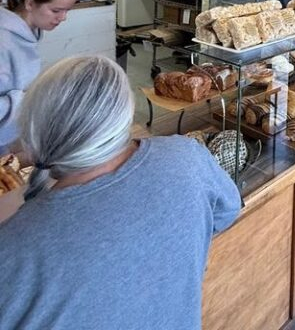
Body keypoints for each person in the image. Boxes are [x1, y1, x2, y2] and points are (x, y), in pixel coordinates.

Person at [0, 55, 242, 330]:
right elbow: (228, 210)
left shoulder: (12, 249)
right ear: (124, 113)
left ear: (35, 129)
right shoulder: (188, 158)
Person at [0, 0, 78, 151]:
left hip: (14, 131)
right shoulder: (4, 41)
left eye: (67, 11)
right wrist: (35, 97)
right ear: (30, 4)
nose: (63, 18)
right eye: (56, 10)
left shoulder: (28, 31)